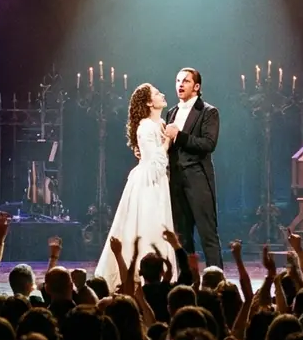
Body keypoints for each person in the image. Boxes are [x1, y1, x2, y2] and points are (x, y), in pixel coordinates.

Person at [95, 83, 177, 290]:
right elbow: (154, 163)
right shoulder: (145, 127)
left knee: (158, 225)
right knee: (149, 224)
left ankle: (158, 271)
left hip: (158, 183)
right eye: (157, 93)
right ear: (149, 102)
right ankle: (142, 275)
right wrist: (168, 140)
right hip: (148, 183)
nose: (162, 94)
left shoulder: (158, 124)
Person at [164, 68, 223, 267]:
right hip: (176, 180)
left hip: (198, 178)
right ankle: (187, 280)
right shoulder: (171, 112)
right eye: (178, 80)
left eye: (186, 81)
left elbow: (208, 144)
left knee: (207, 233)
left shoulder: (208, 111)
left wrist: (178, 136)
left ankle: (216, 281)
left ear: (196, 86)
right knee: (182, 235)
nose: (180, 84)